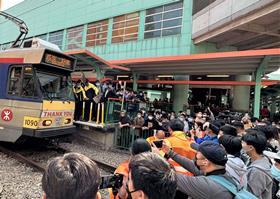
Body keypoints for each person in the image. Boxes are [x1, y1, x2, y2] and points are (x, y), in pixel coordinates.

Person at [162, 141, 235, 198]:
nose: (194, 159)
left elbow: (170, 176)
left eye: (197, 156)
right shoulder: (223, 175)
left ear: (205, 162)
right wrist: (169, 152)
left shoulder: (206, 185)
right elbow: (192, 166)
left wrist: (160, 158)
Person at [241, 129, 273, 199]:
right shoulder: (260, 158)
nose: (241, 144)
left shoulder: (257, 171)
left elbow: (251, 195)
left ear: (251, 147)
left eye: (243, 142)